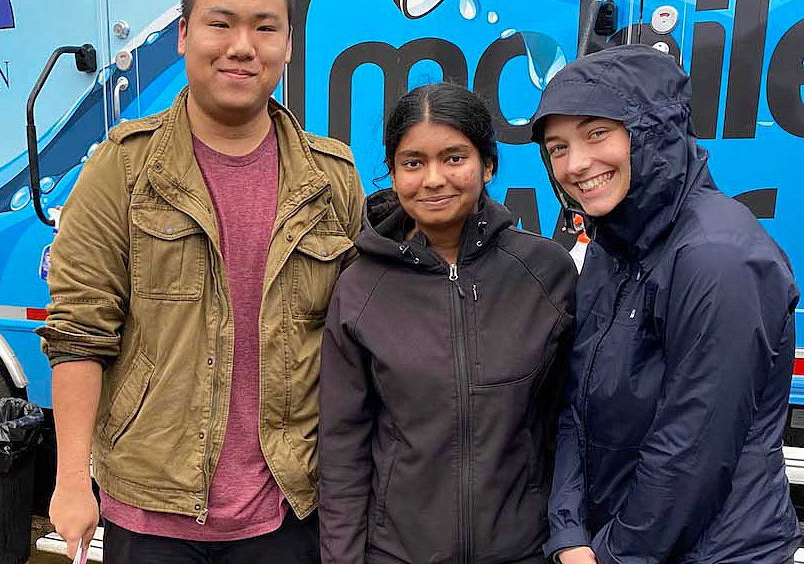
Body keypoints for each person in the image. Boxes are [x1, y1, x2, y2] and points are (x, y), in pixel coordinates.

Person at [37, 0, 364, 561]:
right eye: (221, 22)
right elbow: (78, 333)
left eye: (265, 27)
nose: (243, 45)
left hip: (287, 509)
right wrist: (71, 482)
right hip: (150, 512)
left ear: (288, 46)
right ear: (184, 35)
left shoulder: (331, 179)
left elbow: (359, 337)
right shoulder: (122, 169)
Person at [530, 44, 801, 564]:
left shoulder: (719, 257)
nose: (576, 164)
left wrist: (608, 556)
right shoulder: (612, 248)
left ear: (653, 130)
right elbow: (574, 405)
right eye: (557, 147)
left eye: (596, 133)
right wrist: (568, 533)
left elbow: (692, 450)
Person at [318, 82, 577, 563]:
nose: (434, 179)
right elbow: (342, 450)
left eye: (455, 158)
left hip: (524, 550)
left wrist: (567, 536)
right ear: (393, 175)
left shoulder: (546, 273)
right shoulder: (360, 287)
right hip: (397, 553)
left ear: (488, 165)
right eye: (413, 162)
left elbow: (570, 424)